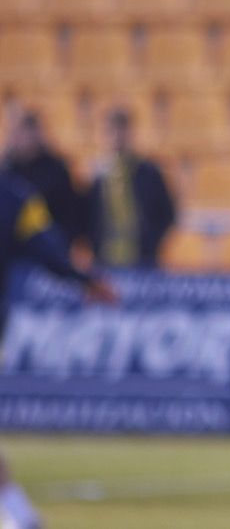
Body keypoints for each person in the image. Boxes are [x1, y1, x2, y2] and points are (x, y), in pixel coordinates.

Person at [1, 172, 116, 529]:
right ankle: (19, 514)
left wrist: (85, 279)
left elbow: (46, 247)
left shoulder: (15, 197)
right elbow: (47, 249)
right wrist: (86, 280)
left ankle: (18, 514)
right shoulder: (14, 196)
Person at [84, 107, 176, 269]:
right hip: (104, 258)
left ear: (130, 133)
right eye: (111, 131)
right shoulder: (95, 176)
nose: (117, 136)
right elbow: (85, 216)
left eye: (122, 130)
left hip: (143, 259)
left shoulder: (149, 173)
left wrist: (152, 240)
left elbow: (167, 212)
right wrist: (94, 241)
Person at [1, 106, 83, 245]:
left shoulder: (56, 169)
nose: (25, 138)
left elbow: (70, 213)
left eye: (29, 132)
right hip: (14, 248)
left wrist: (63, 243)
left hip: (51, 245)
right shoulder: (6, 171)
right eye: (19, 133)